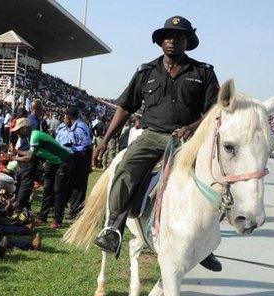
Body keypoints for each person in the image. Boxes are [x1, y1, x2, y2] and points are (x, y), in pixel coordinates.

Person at [92, 16, 221, 271]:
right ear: (161, 42)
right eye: (167, 37)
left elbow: (215, 108)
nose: (172, 41)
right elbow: (126, 107)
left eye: (178, 37)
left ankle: (206, 245)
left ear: (187, 42)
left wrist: (192, 128)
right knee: (125, 170)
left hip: (188, 139)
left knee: (213, 182)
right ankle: (113, 229)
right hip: (152, 136)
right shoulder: (145, 72)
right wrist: (105, 141)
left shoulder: (203, 72)